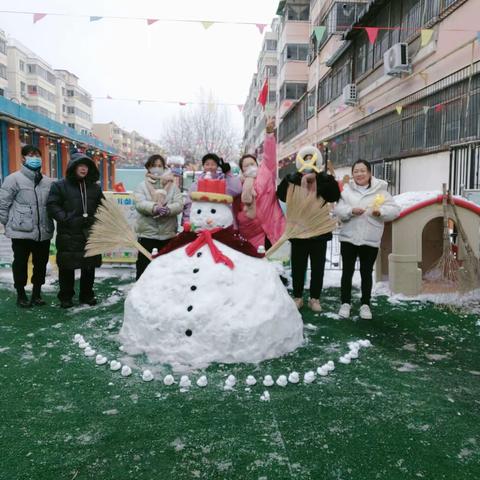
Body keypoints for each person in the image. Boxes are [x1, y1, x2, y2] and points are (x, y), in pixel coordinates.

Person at [277, 146, 341, 312]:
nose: (308, 164)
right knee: (298, 268)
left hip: (319, 233)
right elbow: (282, 195)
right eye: (305, 159)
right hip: (298, 233)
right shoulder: (294, 179)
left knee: (318, 268)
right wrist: (289, 179)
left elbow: (334, 195)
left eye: (310, 159)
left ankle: (315, 298)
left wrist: (326, 179)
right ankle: (298, 297)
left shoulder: (323, 180)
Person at [334, 159, 400, 320]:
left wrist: (381, 212)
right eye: (356, 171)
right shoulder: (346, 191)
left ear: (369, 173)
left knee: (366, 273)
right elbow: (338, 209)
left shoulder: (381, 192)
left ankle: (365, 304)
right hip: (349, 238)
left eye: (363, 170)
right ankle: (345, 303)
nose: (359, 174)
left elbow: (395, 210)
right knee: (347, 272)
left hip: (369, 238)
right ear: (352, 174)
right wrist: (350, 210)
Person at [47, 153, 103, 308]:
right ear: (73, 167)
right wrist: (64, 218)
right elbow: (52, 205)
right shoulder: (59, 185)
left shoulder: (95, 188)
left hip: (89, 233)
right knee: (67, 266)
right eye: (81, 165)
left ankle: (87, 295)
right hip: (69, 233)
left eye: (87, 166)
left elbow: (103, 207)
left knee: (89, 266)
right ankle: (66, 297)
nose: (84, 169)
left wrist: (99, 221)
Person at [0, 145, 54, 307]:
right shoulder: (13, 179)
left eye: (37, 155)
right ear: (23, 158)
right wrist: (7, 223)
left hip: (42, 231)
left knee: (41, 263)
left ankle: (37, 293)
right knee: (20, 263)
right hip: (21, 232)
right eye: (31, 155)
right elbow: (3, 204)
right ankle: (21, 294)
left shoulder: (47, 181)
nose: (35, 158)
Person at [237, 118, 285, 251]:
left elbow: (269, 155)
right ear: (242, 170)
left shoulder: (266, 172)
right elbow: (237, 208)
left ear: (257, 164)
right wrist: (244, 218)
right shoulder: (239, 185)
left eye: (252, 163)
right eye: (246, 166)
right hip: (253, 233)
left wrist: (269, 134)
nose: (250, 167)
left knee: (277, 267)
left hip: (274, 227)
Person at [134, 154, 184, 280]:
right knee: (143, 264)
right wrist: (153, 207)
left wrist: (168, 209)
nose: (157, 168)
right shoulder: (142, 185)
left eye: (159, 166)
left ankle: (165, 291)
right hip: (147, 233)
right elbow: (139, 203)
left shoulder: (172, 186)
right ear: (148, 168)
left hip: (168, 233)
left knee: (167, 266)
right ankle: (140, 289)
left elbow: (179, 204)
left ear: (164, 167)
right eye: (154, 165)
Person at [182, 153, 242, 225]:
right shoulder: (197, 183)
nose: (210, 167)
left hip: (220, 223)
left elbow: (237, 190)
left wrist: (228, 173)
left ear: (217, 166)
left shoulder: (223, 181)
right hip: (201, 223)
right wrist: (187, 221)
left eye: (213, 164)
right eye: (207, 164)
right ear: (203, 166)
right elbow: (189, 204)